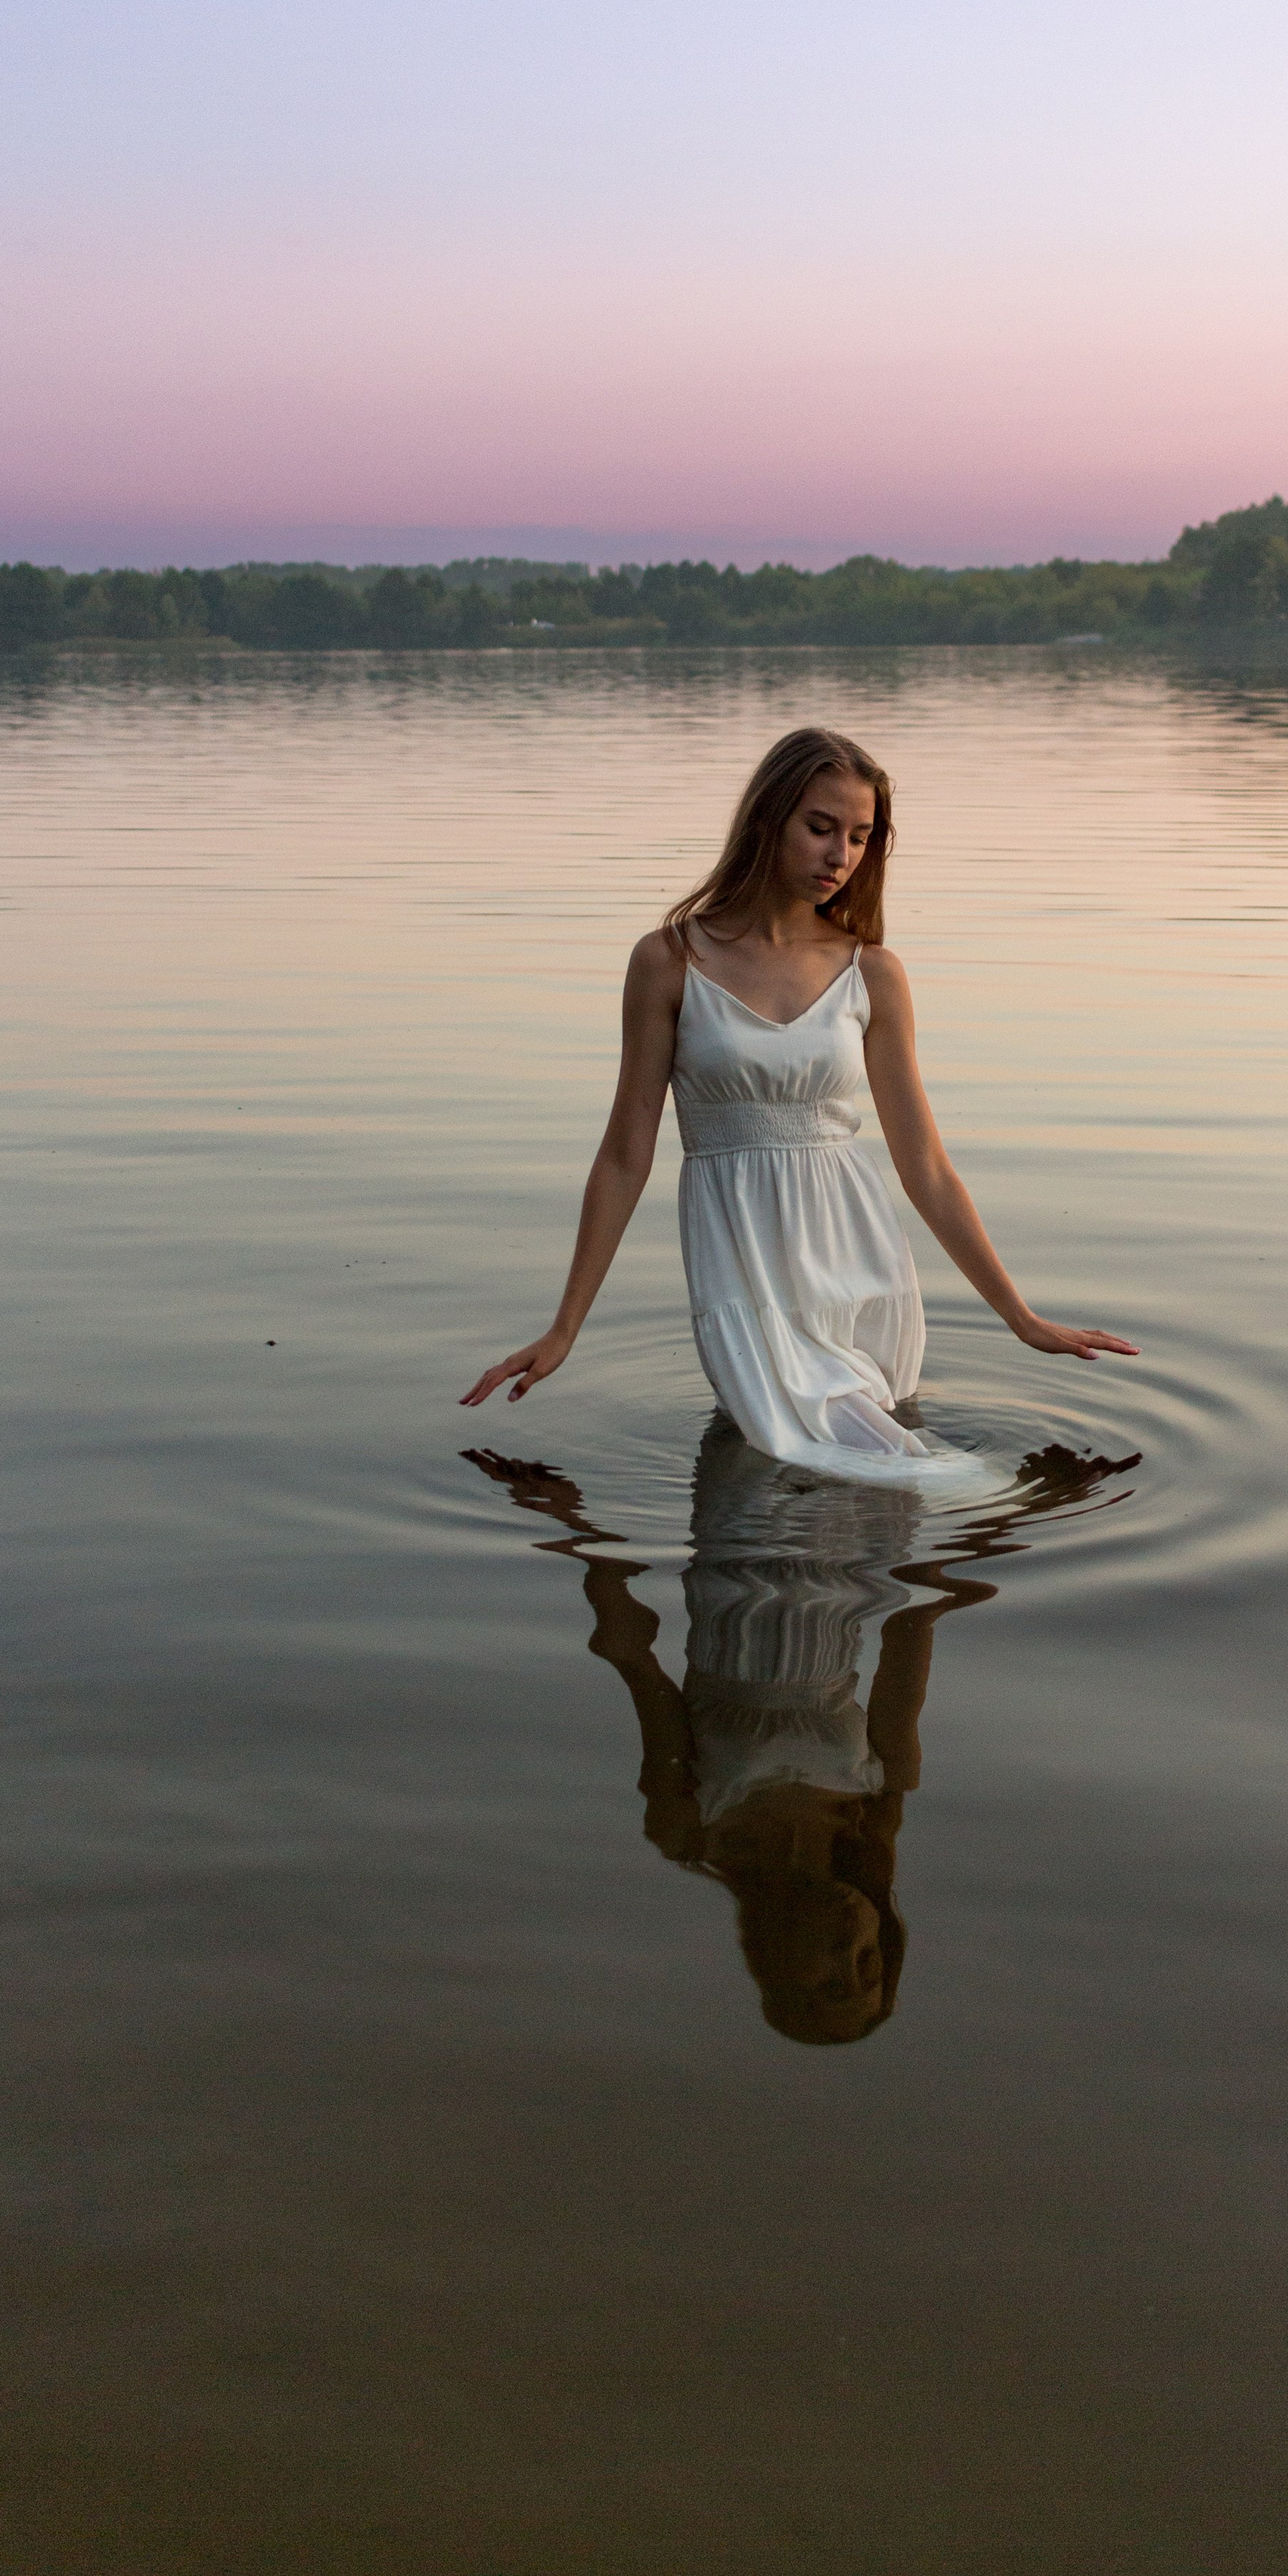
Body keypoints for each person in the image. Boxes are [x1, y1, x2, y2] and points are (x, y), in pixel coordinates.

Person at [463, 728, 1136, 1478]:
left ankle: (967, 1556)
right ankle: (1003, 1524)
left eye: (859, 836)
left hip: (856, 1259)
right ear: (766, 820)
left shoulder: (872, 973)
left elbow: (926, 1167)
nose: (839, 856)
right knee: (810, 1454)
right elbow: (626, 1154)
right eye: (819, 828)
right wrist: (564, 1328)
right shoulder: (668, 962)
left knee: (854, 1480)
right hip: (739, 1262)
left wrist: (1020, 1317)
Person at [469, 1424, 1137, 2042]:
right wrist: (1037, 1507)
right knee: (847, 1384)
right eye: (871, 1961)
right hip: (851, 1545)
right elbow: (918, 1614)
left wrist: (568, 1524)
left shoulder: (691, 1831)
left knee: (764, 1394)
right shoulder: (880, 1794)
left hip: (732, 1542)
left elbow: (631, 1655)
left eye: (829, 1976)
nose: (853, 1944)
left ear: (775, 1963)